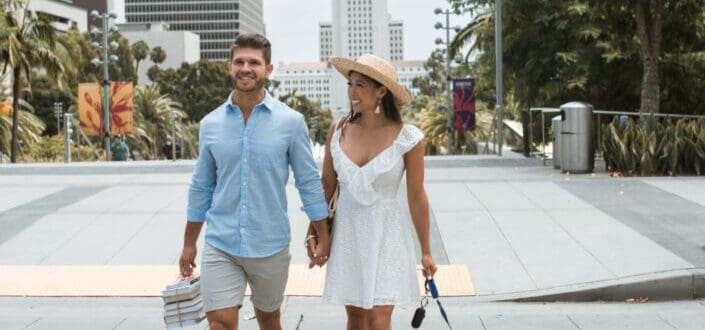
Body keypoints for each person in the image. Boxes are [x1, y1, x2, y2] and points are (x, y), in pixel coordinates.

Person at [179, 33, 330, 330]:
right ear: (229, 67)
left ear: (268, 69)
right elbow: (201, 187)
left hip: (270, 245)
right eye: (239, 62)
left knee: (269, 319)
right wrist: (188, 244)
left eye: (254, 62)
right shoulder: (210, 124)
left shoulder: (291, 122)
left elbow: (308, 182)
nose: (245, 68)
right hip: (221, 243)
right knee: (220, 324)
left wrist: (322, 233)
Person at [307, 54, 437, 329]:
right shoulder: (338, 130)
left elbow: (416, 196)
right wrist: (315, 232)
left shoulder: (408, 137)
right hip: (349, 231)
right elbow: (327, 186)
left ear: (381, 91)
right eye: (350, 84)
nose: (352, 92)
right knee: (355, 317)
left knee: (379, 318)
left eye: (361, 85)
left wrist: (426, 251)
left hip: (387, 232)